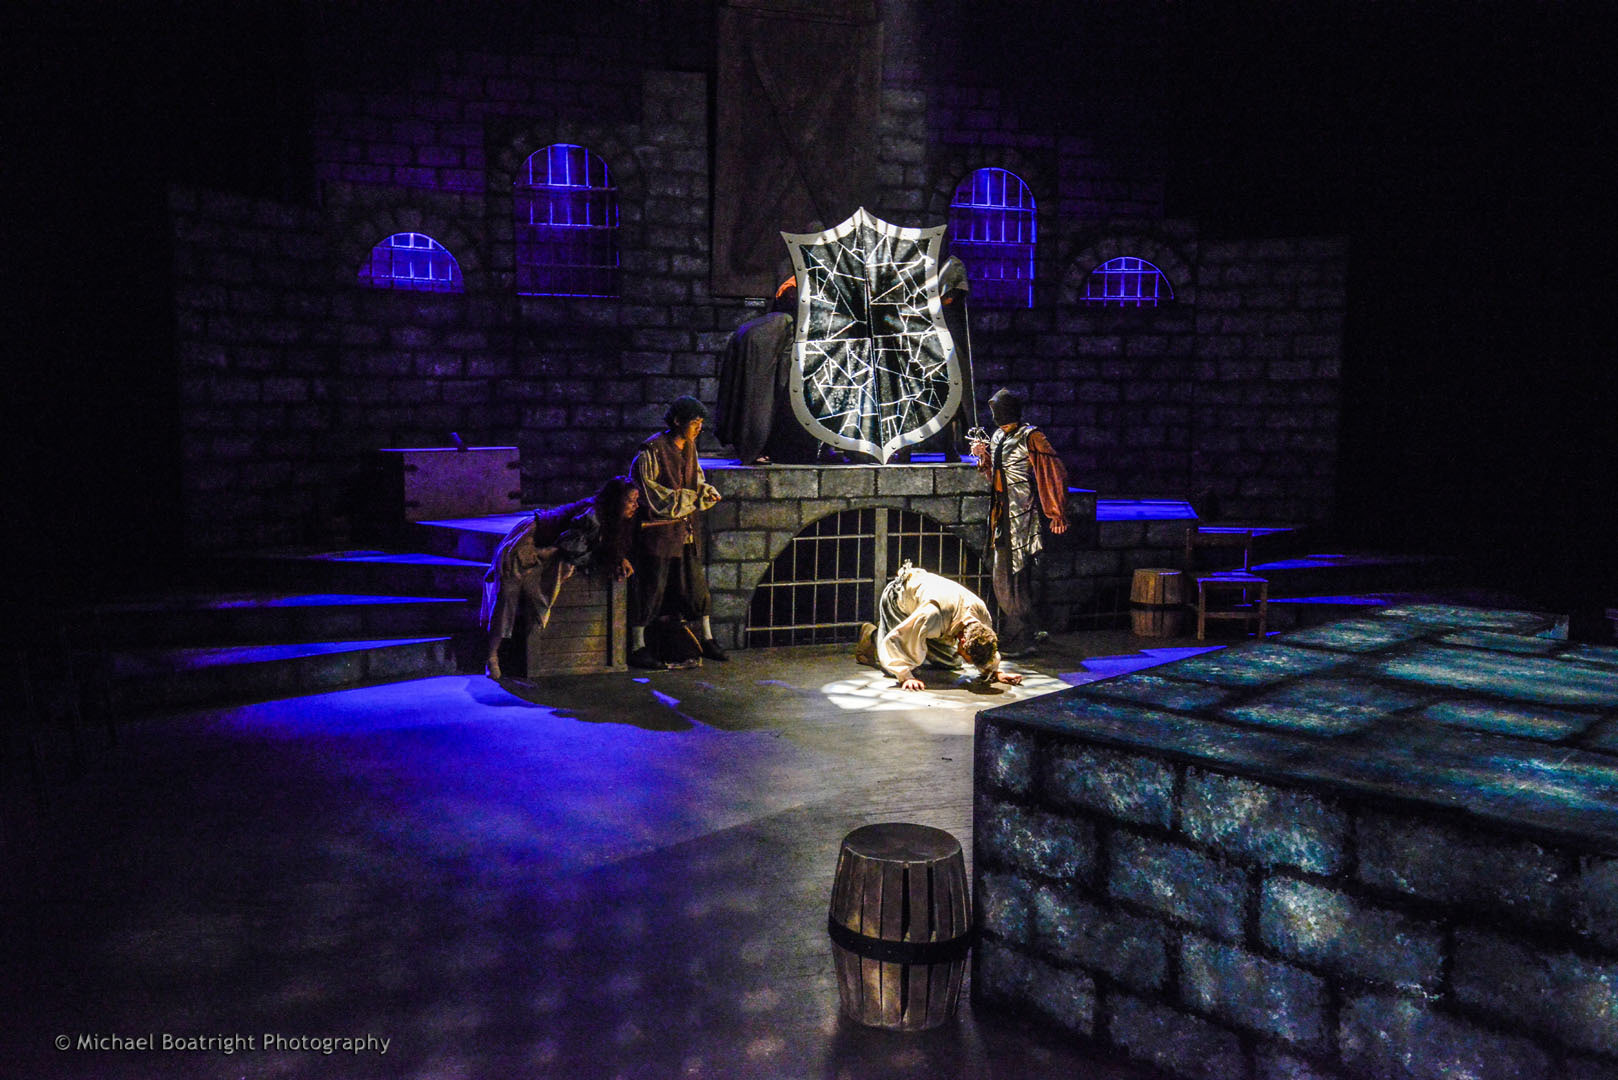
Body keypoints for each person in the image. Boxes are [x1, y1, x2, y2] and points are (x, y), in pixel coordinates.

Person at [480, 474, 638, 679]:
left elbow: (596, 546)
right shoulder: (591, 517)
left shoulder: (609, 518)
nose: (635, 506)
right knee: (508, 589)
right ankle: (492, 656)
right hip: (531, 540)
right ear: (616, 501)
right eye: (630, 501)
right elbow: (570, 548)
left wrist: (619, 558)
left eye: (636, 500)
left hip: (547, 549)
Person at [629, 396, 727, 669]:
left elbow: (696, 480)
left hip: (685, 532)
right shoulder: (652, 451)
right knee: (652, 587)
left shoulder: (690, 447)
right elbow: (649, 492)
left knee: (696, 586)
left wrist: (705, 492)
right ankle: (637, 645)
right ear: (677, 421)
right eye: (694, 422)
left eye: (701, 423)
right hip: (659, 533)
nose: (699, 428)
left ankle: (706, 638)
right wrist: (689, 499)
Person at [970, 387, 1069, 658]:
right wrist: (983, 456)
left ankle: (1022, 636)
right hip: (1001, 513)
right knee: (1002, 574)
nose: (996, 417)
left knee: (1016, 573)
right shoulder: (998, 436)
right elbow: (995, 475)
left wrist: (1056, 513)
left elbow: (1052, 472)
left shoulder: (1031, 436)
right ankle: (1019, 631)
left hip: (1022, 513)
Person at [855, 563, 1024, 691]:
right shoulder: (933, 615)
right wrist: (906, 676)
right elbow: (900, 638)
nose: (966, 659)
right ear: (963, 641)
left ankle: (918, 644)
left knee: (952, 662)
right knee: (894, 666)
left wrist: (995, 672)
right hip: (898, 601)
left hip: (933, 619)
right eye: (966, 654)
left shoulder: (982, 618)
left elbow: (984, 648)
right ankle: (872, 635)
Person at [716, 277, 819, 465]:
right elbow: (783, 375)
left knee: (750, 395)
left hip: (754, 339)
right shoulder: (788, 320)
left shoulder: (774, 316)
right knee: (759, 400)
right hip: (766, 344)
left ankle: (752, 446)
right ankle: (753, 449)